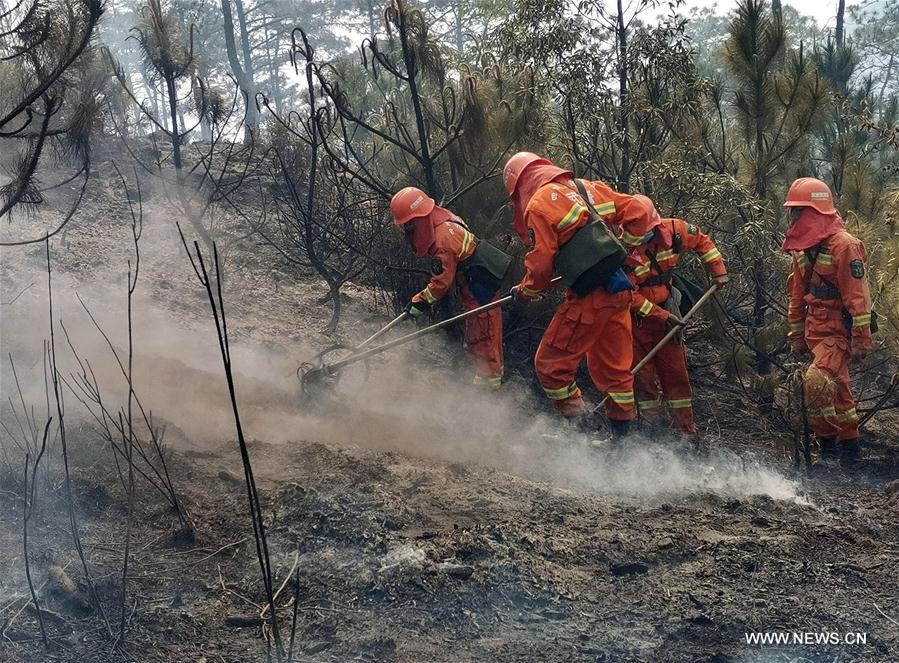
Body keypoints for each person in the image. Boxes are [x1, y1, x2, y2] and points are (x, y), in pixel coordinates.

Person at [503, 151, 657, 437]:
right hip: (619, 292)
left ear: (519, 186)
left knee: (550, 366)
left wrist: (526, 292)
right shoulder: (586, 188)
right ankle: (622, 444)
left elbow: (541, 265)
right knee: (615, 371)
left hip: (592, 298)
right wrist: (624, 252)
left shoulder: (538, 204)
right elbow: (640, 209)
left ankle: (581, 434)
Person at [621, 195, 728, 435]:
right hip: (638, 321)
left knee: (676, 374)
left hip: (668, 313)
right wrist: (661, 316)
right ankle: (654, 428)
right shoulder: (623, 253)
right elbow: (630, 296)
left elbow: (702, 241)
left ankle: (685, 431)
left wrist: (718, 270)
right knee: (644, 377)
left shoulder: (676, 230)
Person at [783, 177, 873, 461]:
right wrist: (797, 337)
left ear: (816, 212)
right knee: (840, 392)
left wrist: (860, 341)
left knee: (816, 382)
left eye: (800, 211)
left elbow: (858, 299)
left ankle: (829, 450)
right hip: (815, 331)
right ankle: (851, 453)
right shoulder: (803, 249)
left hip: (837, 333)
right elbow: (797, 296)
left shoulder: (844, 246)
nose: (794, 217)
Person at [391, 186, 506, 388]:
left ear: (417, 220)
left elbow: (441, 283)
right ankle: (483, 384)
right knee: (478, 336)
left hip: (478, 286)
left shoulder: (443, 238)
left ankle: (489, 392)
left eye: (409, 226)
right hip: (475, 280)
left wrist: (419, 302)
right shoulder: (443, 218)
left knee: (483, 337)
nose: (407, 231)